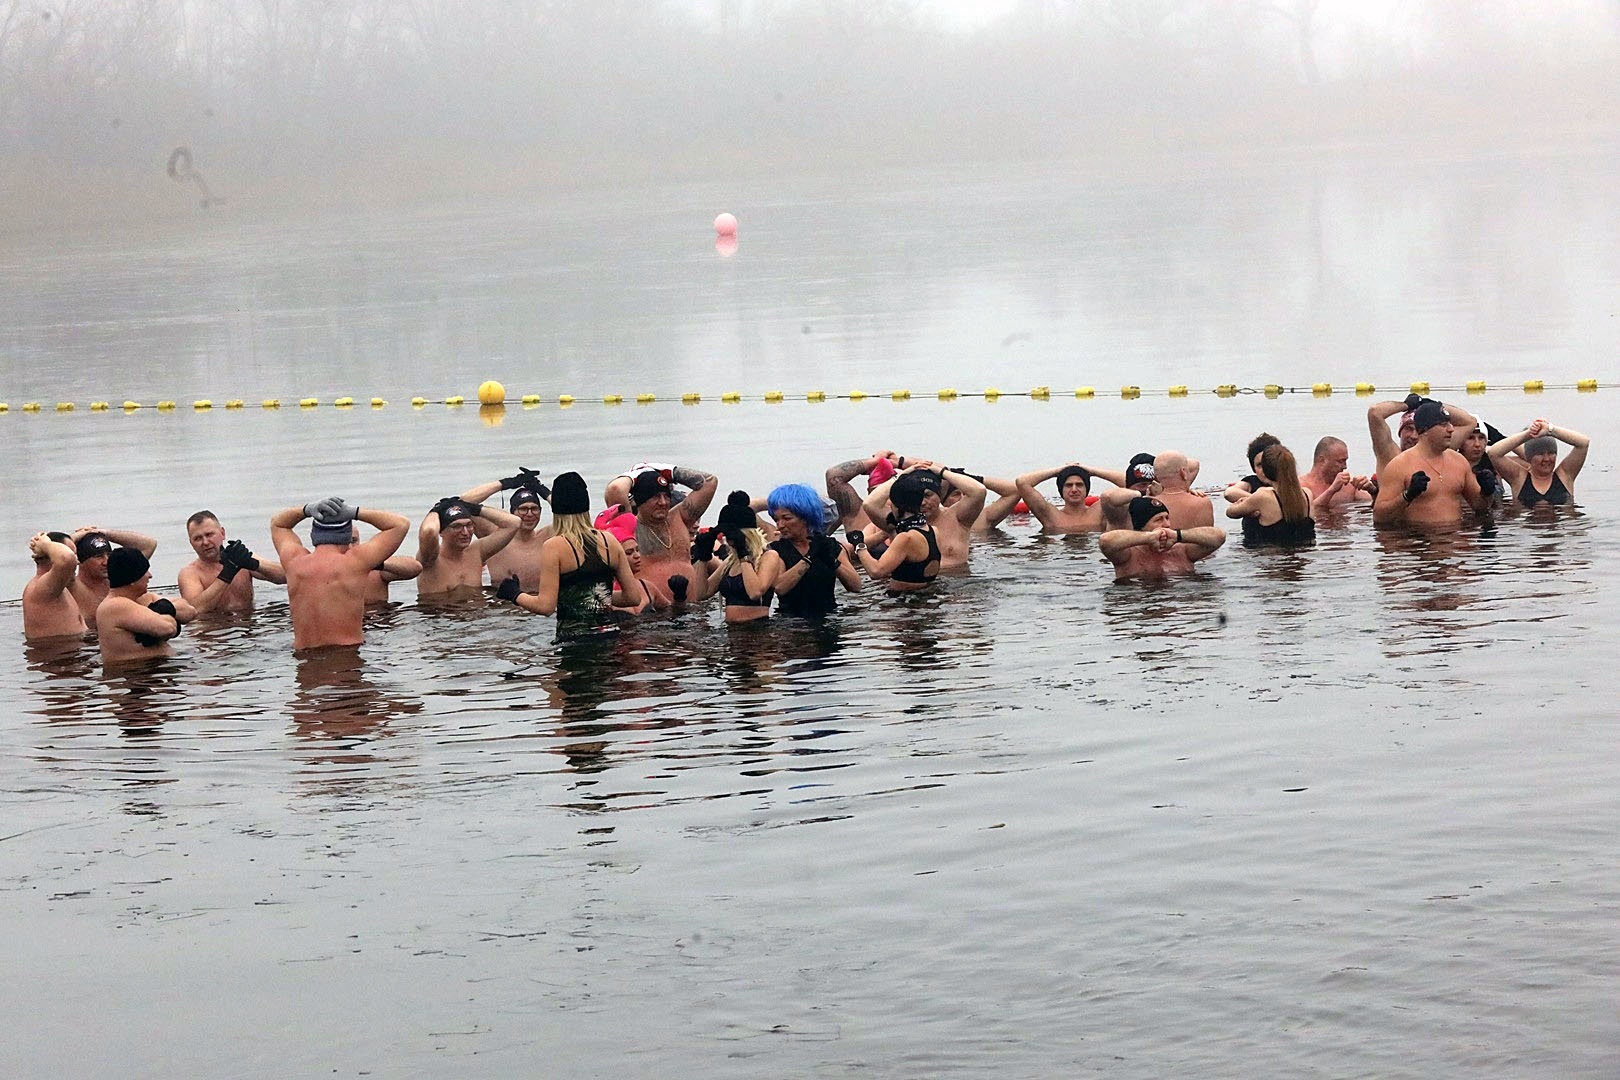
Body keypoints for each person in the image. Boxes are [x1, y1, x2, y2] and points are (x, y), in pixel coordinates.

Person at [496, 472, 644, 640]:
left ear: (556, 510)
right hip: (611, 638)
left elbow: (545, 607)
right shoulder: (609, 541)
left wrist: (514, 593)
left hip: (574, 642)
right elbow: (633, 597)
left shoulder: (554, 546)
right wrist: (596, 596)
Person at [269, 498, 411, 651]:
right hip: (345, 656)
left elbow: (278, 524)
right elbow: (400, 524)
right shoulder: (356, 562)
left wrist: (307, 510)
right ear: (346, 537)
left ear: (314, 535)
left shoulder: (294, 562)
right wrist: (354, 512)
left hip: (304, 656)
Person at [1372, 400, 1489, 527]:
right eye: (1443, 425)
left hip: (1456, 535)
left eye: (1450, 424)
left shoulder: (1459, 461)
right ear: (1425, 430)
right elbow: (1379, 517)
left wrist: (1487, 491)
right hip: (1419, 536)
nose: (1451, 429)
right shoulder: (1400, 465)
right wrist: (1408, 495)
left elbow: (1480, 507)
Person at [757, 483, 860, 618]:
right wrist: (808, 558)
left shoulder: (829, 545)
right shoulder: (776, 550)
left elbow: (856, 586)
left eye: (787, 518)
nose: (780, 525)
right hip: (791, 620)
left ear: (806, 518)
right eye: (776, 520)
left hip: (829, 616)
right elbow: (780, 588)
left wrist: (832, 561)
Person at [862, 461, 985, 570]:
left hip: (957, 583)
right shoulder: (898, 522)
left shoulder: (958, 517)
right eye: (916, 497)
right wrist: (902, 476)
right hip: (914, 585)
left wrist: (942, 472)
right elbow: (870, 504)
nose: (922, 502)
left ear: (939, 495)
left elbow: (978, 491)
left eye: (927, 495)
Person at [630, 464, 719, 605]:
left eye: (666, 496)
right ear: (640, 500)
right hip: (654, 613)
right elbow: (615, 490)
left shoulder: (679, 518)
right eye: (655, 497)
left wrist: (670, 471)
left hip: (692, 610)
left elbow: (709, 482)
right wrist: (632, 477)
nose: (663, 502)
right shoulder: (630, 528)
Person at [95, 547, 196, 664]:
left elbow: (190, 611)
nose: (150, 575)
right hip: (137, 671)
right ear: (132, 578)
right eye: (145, 571)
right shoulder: (114, 605)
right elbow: (168, 628)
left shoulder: (145, 598)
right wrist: (168, 614)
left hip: (161, 666)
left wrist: (162, 608)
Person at [849, 470, 944, 592]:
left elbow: (876, 571)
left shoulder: (906, 538)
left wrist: (859, 544)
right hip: (929, 595)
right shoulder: (934, 531)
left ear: (897, 505)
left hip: (904, 600)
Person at [459, 468, 551, 592]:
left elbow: (570, 516)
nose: (529, 514)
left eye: (534, 509)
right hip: (501, 602)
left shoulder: (548, 537)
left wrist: (543, 491)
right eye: (523, 509)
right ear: (512, 513)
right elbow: (464, 502)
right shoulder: (497, 536)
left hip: (541, 600)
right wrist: (506, 483)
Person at [413, 495, 523, 599]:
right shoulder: (430, 558)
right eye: (457, 526)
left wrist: (474, 508)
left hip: (477, 610)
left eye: (469, 525)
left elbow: (514, 523)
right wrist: (435, 511)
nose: (465, 532)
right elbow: (429, 531)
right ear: (441, 532)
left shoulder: (476, 551)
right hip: (438, 611)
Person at [690, 491, 774, 624]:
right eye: (726, 536)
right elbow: (702, 594)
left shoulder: (768, 556)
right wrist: (704, 556)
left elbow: (755, 593)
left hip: (757, 628)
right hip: (731, 630)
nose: (729, 541)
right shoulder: (730, 562)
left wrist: (743, 553)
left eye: (732, 537)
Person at [178, 511, 286, 614]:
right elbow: (194, 610)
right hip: (214, 624)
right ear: (191, 542)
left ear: (222, 533)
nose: (205, 542)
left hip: (249, 622)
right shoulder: (189, 574)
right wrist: (227, 574)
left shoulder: (240, 557)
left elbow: (287, 576)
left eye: (209, 534)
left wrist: (254, 564)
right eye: (198, 538)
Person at [1099, 497, 1226, 581]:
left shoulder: (1182, 550)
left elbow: (1219, 536)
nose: (1167, 524)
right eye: (1159, 520)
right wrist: (1148, 538)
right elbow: (1106, 541)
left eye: (1167, 518)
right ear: (1141, 526)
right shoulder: (1128, 554)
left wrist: (1178, 535)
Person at [1226, 444, 1316, 548]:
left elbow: (1231, 512)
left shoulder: (1263, 495)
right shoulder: (1307, 494)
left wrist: (1243, 501)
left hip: (1272, 556)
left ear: (1266, 470)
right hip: (1305, 555)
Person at [1489, 419, 1590, 508]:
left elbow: (1583, 443)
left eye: (1551, 453)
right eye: (1540, 454)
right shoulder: (1519, 478)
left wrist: (1550, 430)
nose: (1546, 459)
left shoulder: (1565, 475)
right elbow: (1493, 454)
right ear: (1529, 457)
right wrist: (1529, 434)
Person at [68, 526, 157, 624]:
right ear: (79, 560)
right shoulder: (71, 586)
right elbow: (60, 557)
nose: (106, 562)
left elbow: (149, 545)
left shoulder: (120, 578)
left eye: (108, 555)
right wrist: (76, 536)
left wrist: (105, 533)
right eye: (98, 557)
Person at [1367, 394, 1477, 473]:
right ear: (1400, 432)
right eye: (1408, 429)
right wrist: (1406, 405)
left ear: (1427, 433)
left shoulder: (1440, 451)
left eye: (1418, 430)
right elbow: (1375, 412)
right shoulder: (1389, 455)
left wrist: (1435, 407)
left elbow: (1470, 422)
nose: (1414, 436)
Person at [23, 532, 86, 641]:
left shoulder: (56, 586)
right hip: (58, 650)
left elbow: (65, 555)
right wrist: (45, 545)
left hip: (71, 647)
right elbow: (67, 559)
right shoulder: (42, 587)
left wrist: (83, 534)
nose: (77, 562)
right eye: (74, 555)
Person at [1014, 463, 1106, 533]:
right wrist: (1057, 471)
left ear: (1087, 489)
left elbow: (1115, 490)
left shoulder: (1099, 511)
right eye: (1069, 485)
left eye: (1079, 485)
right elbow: (1022, 482)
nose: (1074, 490)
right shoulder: (1051, 516)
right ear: (1061, 490)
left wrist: (1092, 471)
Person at [1299, 437, 1375, 510]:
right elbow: (1305, 511)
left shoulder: (1349, 487)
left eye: (1345, 461)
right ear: (1322, 460)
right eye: (1340, 461)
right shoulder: (1301, 485)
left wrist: (1372, 490)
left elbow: (1376, 506)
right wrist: (1332, 490)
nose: (1345, 466)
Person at [1152, 451, 1214, 529]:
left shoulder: (1148, 503)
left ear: (1155, 476)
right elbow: (1209, 534)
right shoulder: (1201, 502)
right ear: (1183, 472)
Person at [1100, 455, 1158, 529]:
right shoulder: (1121, 509)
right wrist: (1141, 495)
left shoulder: (1162, 504)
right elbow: (1106, 497)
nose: (1149, 488)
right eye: (1142, 485)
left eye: (1153, 484)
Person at [1223, 434, 1283, 502]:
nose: (1265, 468)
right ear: (1254, 468)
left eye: (1268, 462)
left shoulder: (1288, 481)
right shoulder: (1252, 482)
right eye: (1259, 465)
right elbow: (1229, 492)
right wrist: (1260, 500)